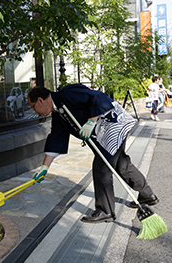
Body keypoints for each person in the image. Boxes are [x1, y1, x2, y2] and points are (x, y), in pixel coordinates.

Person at [28, 84, 159, 223]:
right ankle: (147, 194)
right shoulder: (59, 113)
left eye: (33, 107)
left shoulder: (66, 94)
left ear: (41, 100)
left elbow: (96, 97)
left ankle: (105, 210)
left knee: (101, 168)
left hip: (112, 124)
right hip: (108, 131)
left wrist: (91, 121)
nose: (35, 112)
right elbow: (56, 139)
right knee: (122, 164)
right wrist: (45, 168)